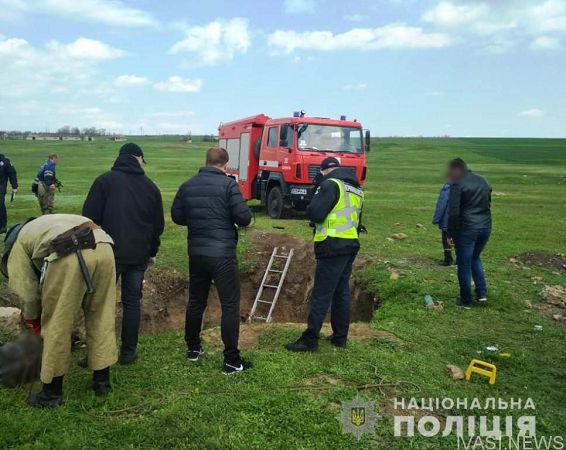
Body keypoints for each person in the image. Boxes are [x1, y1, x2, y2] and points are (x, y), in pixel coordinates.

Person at [1, 214, 117, 407]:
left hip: (69, 252)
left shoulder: (18, 245)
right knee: (101, 315)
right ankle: (102, 383)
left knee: (57, 323)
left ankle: (51, 395)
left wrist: (32, 318)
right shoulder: (46, 223)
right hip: (104, 246)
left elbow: (27, 293)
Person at [171, 147, 252, 374]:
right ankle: (231, 360)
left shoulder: (188, 185)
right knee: (229, 305)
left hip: (197, 253)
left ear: (206, 162)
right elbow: (244, 217)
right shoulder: (229, 185)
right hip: (223, 254)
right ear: (225, 165)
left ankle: (193, 349)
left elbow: (177, 216)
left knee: (196, 300)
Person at [82, 143, 164, 364]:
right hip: (138, 256)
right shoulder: (150, 187)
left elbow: (88, 218)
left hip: (108, 254)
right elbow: (158, 226)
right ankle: (128, 352)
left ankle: (95, 352)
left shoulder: (104, 181)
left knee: (100, 303)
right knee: (131, 303)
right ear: (139, 158)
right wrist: (151, 251)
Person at [286, 157, 364, 352]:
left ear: (323, 170)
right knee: (341, 292)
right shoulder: (355, 189)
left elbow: (316, 213)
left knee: (321, 294)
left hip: (331, 244)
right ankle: (340, 337)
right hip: (350, 244)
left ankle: (310, 339)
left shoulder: (330, 185)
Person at [446, 158, 492, 309]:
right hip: (485, 227)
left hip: (467, 228)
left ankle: (465, 300)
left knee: (464, 264)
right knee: (475, 258)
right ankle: (481, 293)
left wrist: (450, 234)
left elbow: (453, 213)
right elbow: (488, 203)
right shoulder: (483, 181)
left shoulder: (457, 184)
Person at [432, 180, 454, 266]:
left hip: (448, 218)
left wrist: (436, 219)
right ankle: (460, 259)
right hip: (463, 219)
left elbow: (442, 203)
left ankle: (448, 259)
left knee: (446, 239)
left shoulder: (448, 186)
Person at [0, 153, 18, 233]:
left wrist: (14, 186)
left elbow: (12, 173)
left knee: (0, 205)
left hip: (0, 187)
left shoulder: (5, 161)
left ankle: (2, 226)